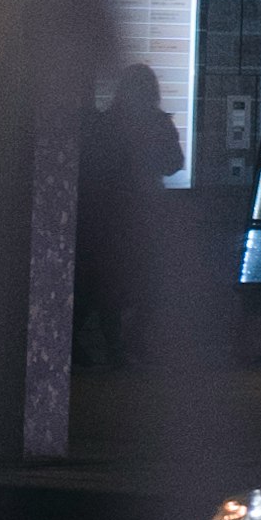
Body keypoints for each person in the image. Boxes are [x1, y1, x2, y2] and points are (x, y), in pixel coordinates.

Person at [76, 50, 184, 370]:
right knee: (148, 280)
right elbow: (174, 164)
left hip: (107, 213)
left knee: (104, 282)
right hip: (146, 210)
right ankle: (130, 341)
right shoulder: (158, 123)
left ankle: (110, 345)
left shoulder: (105, 123)